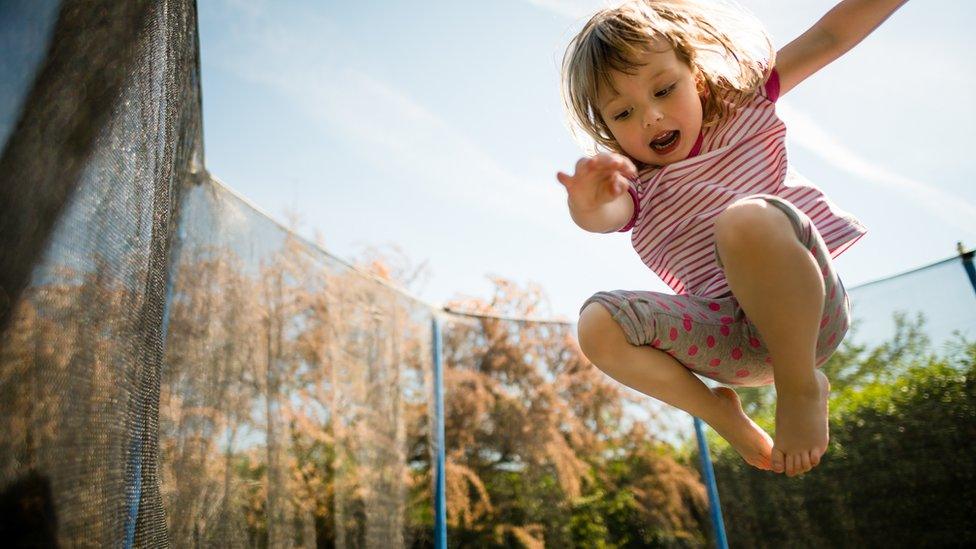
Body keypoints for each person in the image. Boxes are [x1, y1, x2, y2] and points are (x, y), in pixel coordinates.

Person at [557, 0, 906, 477]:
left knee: (743, 221)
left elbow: (829, 37)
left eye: (664, 90)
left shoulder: (746, 106)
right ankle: (721, 414)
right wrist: (588, 200)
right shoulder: (634, 184)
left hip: (808, 316)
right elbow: (603, 216)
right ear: (608, 129)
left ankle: (800, 386)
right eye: (623, 113)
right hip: (730, 343)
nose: (652, 117)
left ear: (696, 79)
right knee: (597, 323)